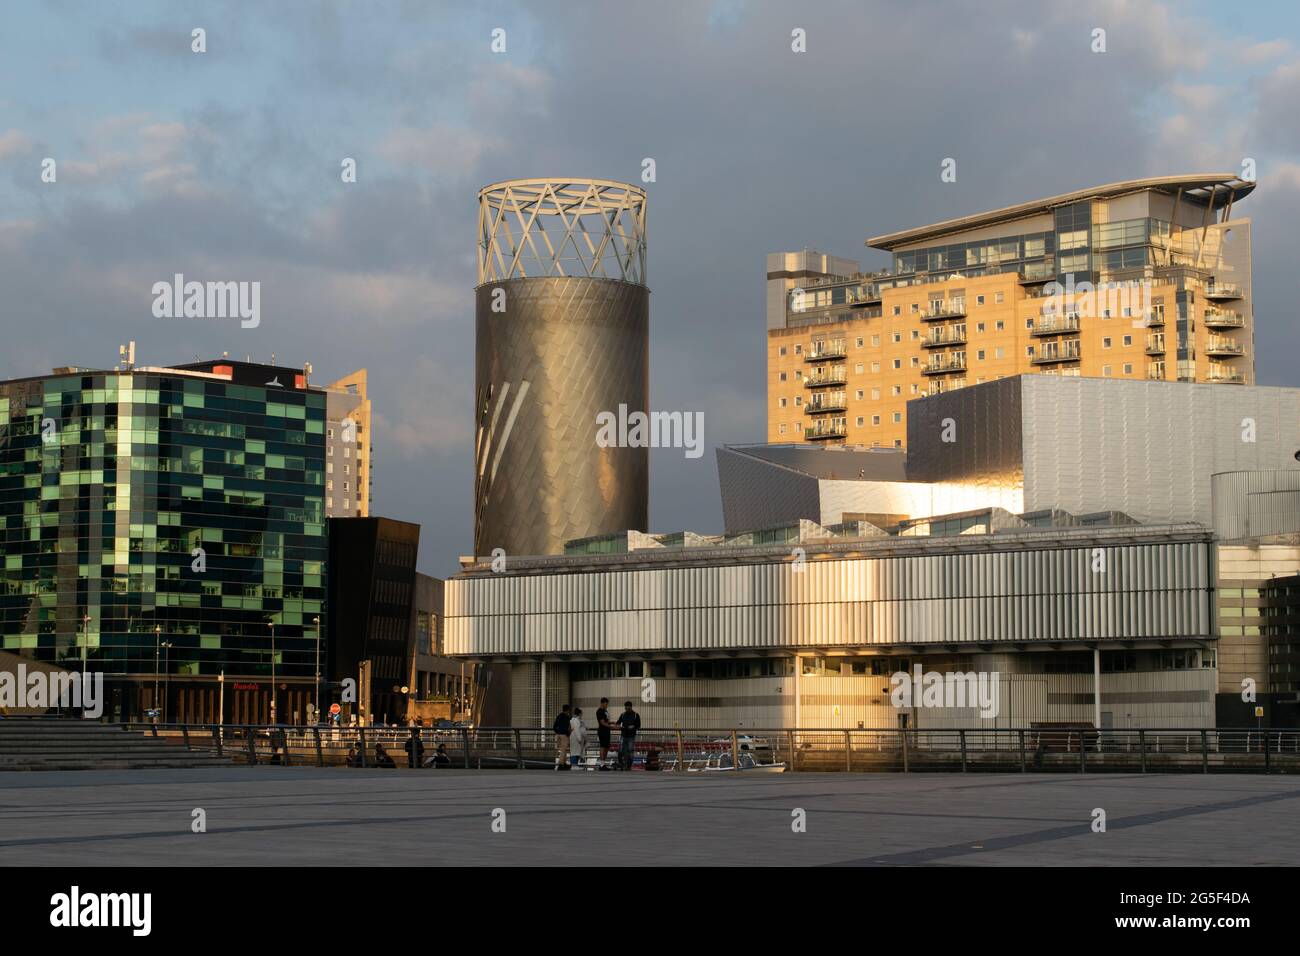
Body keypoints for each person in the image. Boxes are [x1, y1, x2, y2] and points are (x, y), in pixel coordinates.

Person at [616, 701, 641, 770]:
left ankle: (628, 766)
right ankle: (621, 764)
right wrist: (619, 726)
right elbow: (618, 723)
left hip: (631, 736)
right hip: (623, 735)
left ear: (631, 707)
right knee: (621, 750)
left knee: (630, 751)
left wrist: (633, 726)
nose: (627, 708)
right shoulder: (623, 714)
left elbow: (638, 725)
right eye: (626, 707)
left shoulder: (636, 715)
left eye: (628, 707)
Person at [552, 704, 572, 770]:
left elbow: (554, 726)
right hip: (564, 735)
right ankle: (561, 764)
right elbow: (568, 727)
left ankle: (564, 763)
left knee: (563, 749)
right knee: (564, 750)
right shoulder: (567, 717)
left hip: (559, 734)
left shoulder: (559, 716)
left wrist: (557, 732)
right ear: (568, 710)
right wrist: (569, 733)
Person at [595, 697, 613, 770]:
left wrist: (612, 723)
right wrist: (611, 727)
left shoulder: (605, 711)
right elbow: (602, 723)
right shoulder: (600, 711)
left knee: (606, 747)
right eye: (606, 704)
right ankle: (601, 764)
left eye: (607, 704)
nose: (607, 705)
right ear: (602, 703)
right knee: (603, 747)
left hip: (607, 731)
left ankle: (603, 763)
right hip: (602, 731)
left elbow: (606, 721)